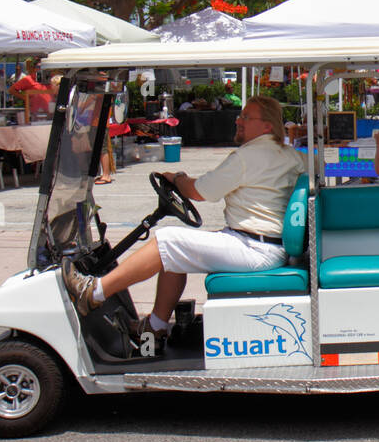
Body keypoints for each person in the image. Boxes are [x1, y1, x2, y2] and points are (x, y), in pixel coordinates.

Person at [61, 96, 305, 345]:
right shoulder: (290, 155)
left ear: (267, 126)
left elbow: (200, 191)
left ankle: (93, 292)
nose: (238, 120)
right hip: (262, 244)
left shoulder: (248, 156)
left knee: (167, 240)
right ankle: (154, 328)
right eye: (240, 115)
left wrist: (177, 179)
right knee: (174, 257)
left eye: (246, 117)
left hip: (254, 248)